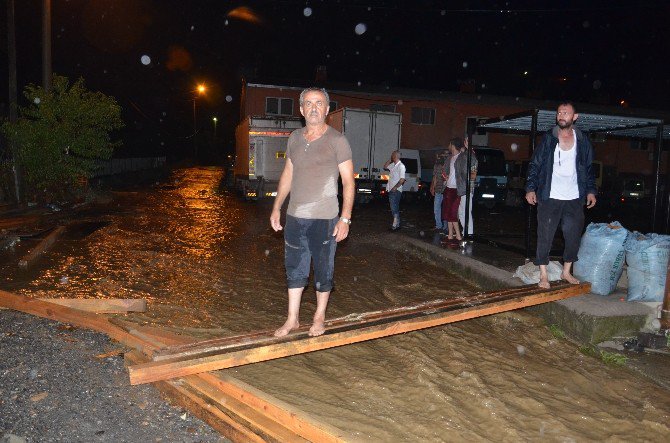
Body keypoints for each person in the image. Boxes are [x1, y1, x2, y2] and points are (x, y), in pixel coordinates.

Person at [270, 87, 355, 337]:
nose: (314, 107)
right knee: (294, 268)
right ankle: (292, 319)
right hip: (296, 217)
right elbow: (288, 174)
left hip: (326, 218)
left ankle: (319, 318)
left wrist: (345, 218)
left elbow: (349, 182)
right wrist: (277, 207)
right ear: (301, 109)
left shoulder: (338, 140)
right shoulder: (294, 138)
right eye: (308, 103)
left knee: (323, 269)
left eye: (319, 103)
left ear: (327, 110)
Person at [525, 102, 597, 289]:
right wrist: (530, 188)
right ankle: (543, 275)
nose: (561, 115)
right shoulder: (549, 139)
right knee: (545, 235)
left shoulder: (582, 140)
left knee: (573, 236)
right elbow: (535, 164)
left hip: (574, 198)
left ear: (575, 117)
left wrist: (590, 191)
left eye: (566, 113)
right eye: (559, 112)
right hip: (550, 197)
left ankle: (566, 272)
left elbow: (589, 169)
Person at [441, 138, 462, 241]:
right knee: (448, 212)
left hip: (456, 189)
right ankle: (450, 234)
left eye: (450, 145)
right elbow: (446, 171)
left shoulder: (461, 157)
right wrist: (446, 176)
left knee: (453, 212)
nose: (448, 147)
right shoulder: (450, 158)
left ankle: (458, 235)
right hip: (448, 187)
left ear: (453, 145)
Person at [457, 138, 478, 236]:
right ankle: (465, 230)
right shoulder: (464, 155)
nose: (465, 142)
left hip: (468, 188)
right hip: (461, 187)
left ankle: (469, 232)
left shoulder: (472, 156)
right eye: (465, 141)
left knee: (466, 211)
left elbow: (473, 175)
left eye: (467, 141)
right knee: (461, 211)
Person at [384, 150, 406, 231]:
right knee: (395, 207)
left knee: (394, 208)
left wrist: (395, 187)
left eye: (392, 155)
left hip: (396, 190)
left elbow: (402, 179)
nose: (391, 156)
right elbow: (385, 167)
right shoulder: (393, 165)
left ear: (395, 156)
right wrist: (390, 160)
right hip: (391, 189)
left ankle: (394, 225)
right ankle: (398, 224)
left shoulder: (401, 166)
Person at [430, 150, 449, 230]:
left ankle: (446, 226)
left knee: (445, 208)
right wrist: (432, 187)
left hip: (446, 190)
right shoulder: (437, 165)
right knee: (436, 208)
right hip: (438, 190)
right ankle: (439, 225)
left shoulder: (448, 164)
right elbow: (435, 177)